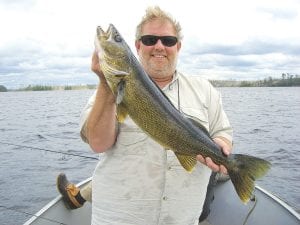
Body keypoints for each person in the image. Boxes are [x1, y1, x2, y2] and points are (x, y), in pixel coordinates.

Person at [57, 6, 233, 225]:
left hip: (182, 219)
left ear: (178, 46)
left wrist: (221, 144)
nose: (159, 46)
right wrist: (105, 83)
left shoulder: (204, 89)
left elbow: (222, 132)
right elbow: (98, 143)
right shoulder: (107, 89)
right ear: (138, 45)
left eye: (168, 41)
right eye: (150, 39)